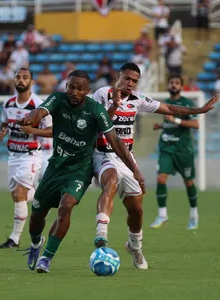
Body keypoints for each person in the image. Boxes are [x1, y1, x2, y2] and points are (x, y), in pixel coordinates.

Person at [92, 64, 218, 269]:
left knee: (137, 210)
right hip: (103, 154)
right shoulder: (102, 94)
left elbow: (169, 108)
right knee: (111, 180)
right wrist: (114, 105)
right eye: (127, 79)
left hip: (126, 158)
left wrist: (199, 110)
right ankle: (101, 233)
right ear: (118, 76)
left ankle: (135, 247)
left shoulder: (137, 100)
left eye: (134, 81)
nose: (130, 84)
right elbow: (98, 123)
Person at [20, 70, 146, 274]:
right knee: (36, 215)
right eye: (71, 87)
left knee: (66, 206)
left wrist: (135, 171)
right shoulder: (57, 99)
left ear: (87, 91)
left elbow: (115, 141)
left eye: (79, 89)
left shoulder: (96, 111)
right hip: (56, 166)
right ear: (66, 86)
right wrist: (30, 117)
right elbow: (40, 112)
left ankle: (46, 258)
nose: (74, 92)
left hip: (80, 169)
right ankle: (36, 244)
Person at [0, 68, 53, 249]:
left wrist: (33, 131)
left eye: (25, 77)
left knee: (20, 193)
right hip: (13, 156)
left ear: (31, 82)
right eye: (18, 77)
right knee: (17, 196)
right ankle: (42, 196)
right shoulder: (8, 104)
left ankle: (15, 239)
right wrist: (3, 130)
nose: (21, 80)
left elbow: (53, 130)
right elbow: (5, 122)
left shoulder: (39, 105)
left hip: (31, 156)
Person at [150, 75, 214, 230]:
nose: (173, 85)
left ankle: (194, 215)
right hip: (166, 148)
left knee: (189, 182)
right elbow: (170, 123)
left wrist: (175, 121)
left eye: (176, 83)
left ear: (181, 86)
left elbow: (195, 124)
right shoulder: (164, 104)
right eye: (171, 82)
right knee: (160, 179)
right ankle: (162, 215)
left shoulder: (187, 103)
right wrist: (162, 126)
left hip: (183, 150)